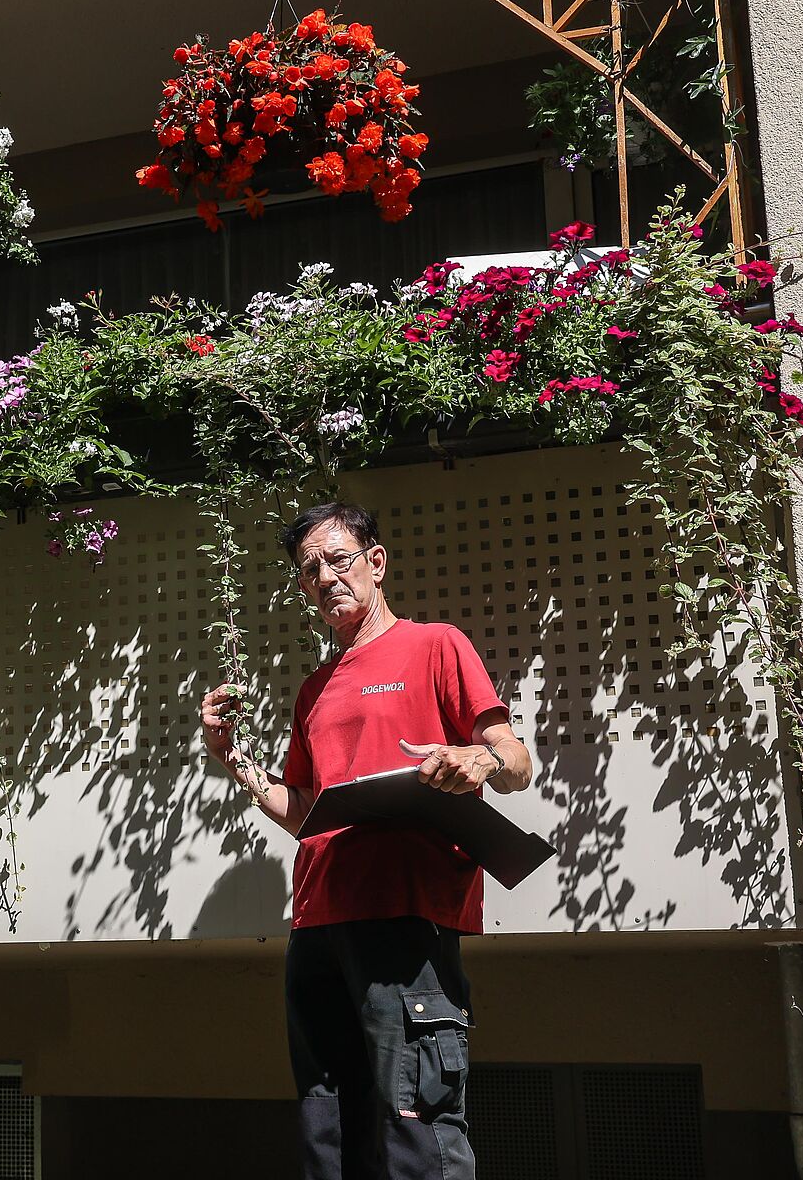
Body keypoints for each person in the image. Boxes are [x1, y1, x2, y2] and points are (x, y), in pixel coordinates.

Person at [200, 502, 532, 1180]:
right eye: (308, 570)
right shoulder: (315, 690)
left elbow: (516, 759)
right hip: (317, 927)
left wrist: (480, 761)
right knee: (329, 1132)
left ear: (376, 564)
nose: (324, 578)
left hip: (404, 922)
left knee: (417, 1124)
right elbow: (306, 813)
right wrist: (231, 758)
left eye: (338, 559)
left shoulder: (435, 645)